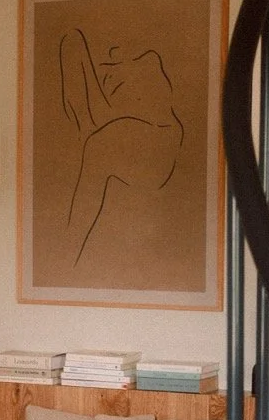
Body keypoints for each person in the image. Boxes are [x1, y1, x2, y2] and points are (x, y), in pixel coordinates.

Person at [59, 28, 185, 266]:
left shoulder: (148, 65)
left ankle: (69, 251)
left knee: (96, 144)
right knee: (72, 42)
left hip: (158, 141)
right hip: (142, 135)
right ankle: (68, 252)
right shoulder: (135, 72)